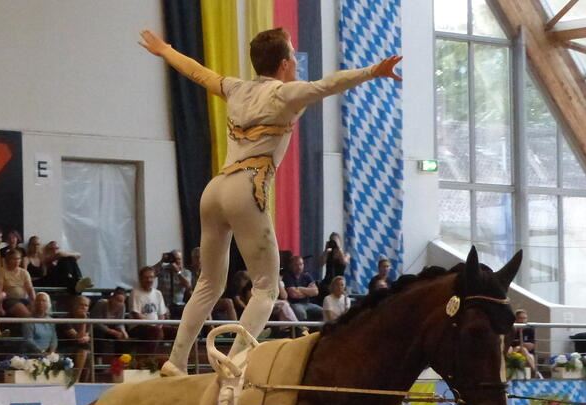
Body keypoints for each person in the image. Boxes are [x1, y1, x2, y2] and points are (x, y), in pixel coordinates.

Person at [141, 27, 402, 375]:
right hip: (246, 187)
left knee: (208, 282)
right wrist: (372, 71)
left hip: (216, 187)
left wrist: (165, 50)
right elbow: (330, 84)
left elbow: (196, 71)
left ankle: (176, 361)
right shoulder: (284, 94)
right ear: (283, 64)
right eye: (293, 55)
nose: (295, 61)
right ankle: (233, 364)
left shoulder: (236, 87)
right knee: (266, 287)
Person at [130, 266, 170, 349]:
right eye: (146, 277)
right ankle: (148, 359)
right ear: (141, 279)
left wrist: (159, 325)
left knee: (178, 332)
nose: (149, 280)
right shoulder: (135, 293)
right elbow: (136, 314)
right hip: (139, 326)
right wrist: (153, 326)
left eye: (151, 277)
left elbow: (161, 315)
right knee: (156, 332)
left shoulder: (158, 293)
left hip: (156, 326)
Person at [91, 287, 130, 360]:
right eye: (117, 300)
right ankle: (98, 359)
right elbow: (96, 322)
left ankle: (119, 361)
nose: (119, 303)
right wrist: (111, 331)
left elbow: (120, 322)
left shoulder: (122, 307)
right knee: (98, 334)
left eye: (121, 301)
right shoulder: (101, 303)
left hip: (112, 328)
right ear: (112, 298)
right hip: (98, 328)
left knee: (122, 337)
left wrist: (123, 332)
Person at [60, 295, 92, 380]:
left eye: (86, 305)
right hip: (66, 347)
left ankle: (83, 381)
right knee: (84, 350)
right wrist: (83, 321)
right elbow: (77, 338)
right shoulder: (66, 319)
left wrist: (87, 338)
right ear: (75, 305)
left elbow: (86, 337)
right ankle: (77, 379)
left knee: (86, 350)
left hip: (80, 348)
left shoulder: (88, 320)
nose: (84, 307)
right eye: (81, 304)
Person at [282, 255, 323, 322]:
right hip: (295, 304)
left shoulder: (306, 276)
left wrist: (300, 289)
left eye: (301, 264)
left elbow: (315, 292)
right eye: (296, 265)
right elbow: (294, 294)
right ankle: (303, 331)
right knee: (301, 313)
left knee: (323, 312)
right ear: (291, 265)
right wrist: (308, 292)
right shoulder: (288, 277)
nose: (299, 267)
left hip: (308, 303)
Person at [0, 249, 35, 318]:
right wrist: (0, 307)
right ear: (8, 260)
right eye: (14, 259)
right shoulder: (2, 271)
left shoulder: (24, 272)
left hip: (24, 299)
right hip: (9, 300)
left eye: (18, 259)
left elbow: (30, 289)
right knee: (26, 314)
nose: (16, 261)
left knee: (38, 311)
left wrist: (34, 303)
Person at [156, 250, 192, 314]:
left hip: (178, 304)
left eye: (178, 259)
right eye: (174, 259)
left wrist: (178, 272)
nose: (176, 261)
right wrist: (161, 261)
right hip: (162, 303)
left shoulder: (186, 272)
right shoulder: (162, 269)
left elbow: (188, 285)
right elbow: (151, 273)